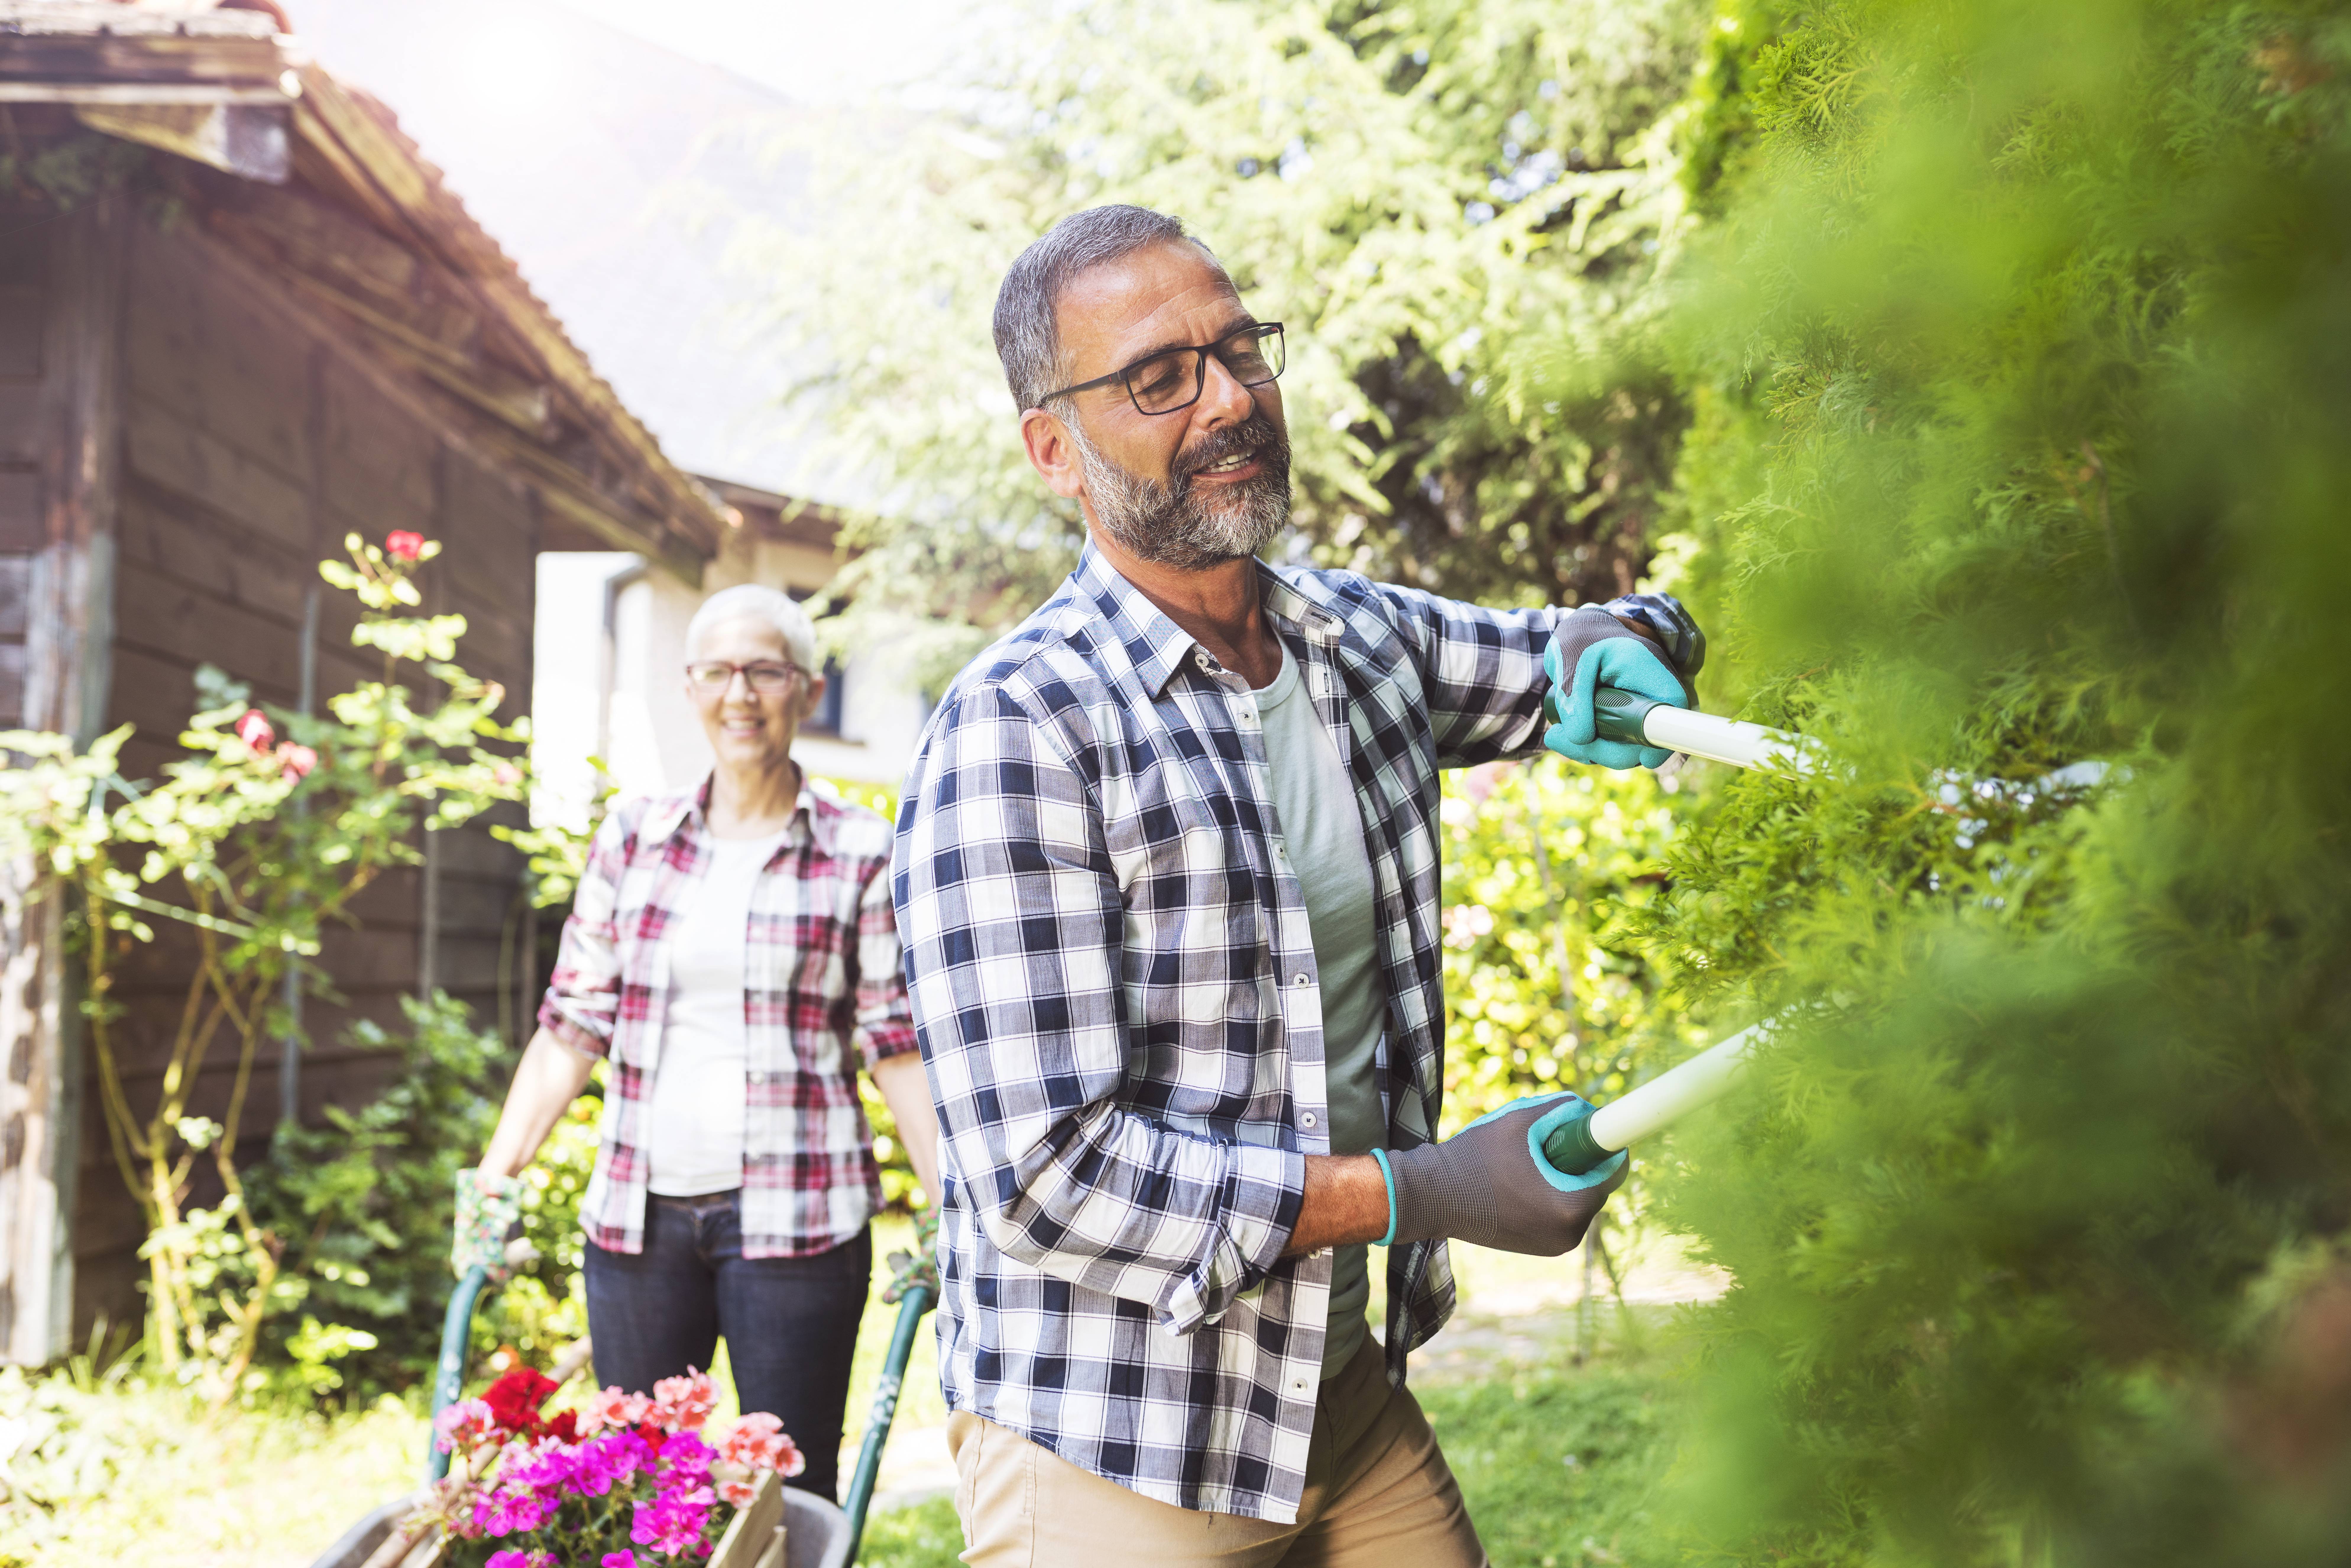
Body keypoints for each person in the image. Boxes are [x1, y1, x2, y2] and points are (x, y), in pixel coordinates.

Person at [891, 205, 1705, 1565]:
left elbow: (1561, 654)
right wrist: (1422, 1191)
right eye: (1157, 377)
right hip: (1115, 1439)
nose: (1227, 401)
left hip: (1328, 1399)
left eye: (1238, 350)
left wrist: (1627, 634)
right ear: (1054, 451)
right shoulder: (1019, 734)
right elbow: (1043, 1179)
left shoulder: (1350, 643)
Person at [474, 584, 941, 1501]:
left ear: (807, 691)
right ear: (691, 688)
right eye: (720, 671)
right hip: (637, 1224)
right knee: (640, 1494)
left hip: (799, 1225)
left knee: (792, 1492)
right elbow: (572, 1024)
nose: (742, 693)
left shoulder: (860, 851)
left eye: (766, 670)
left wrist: (948, 1201)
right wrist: (498, 1173)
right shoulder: (633, 838)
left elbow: (897, 1045)